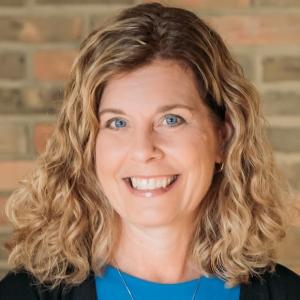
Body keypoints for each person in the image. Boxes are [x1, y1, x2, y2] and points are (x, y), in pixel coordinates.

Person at [0, 2, 299, 300]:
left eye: (171, 119)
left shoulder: (286, 293)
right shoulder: (24, 294)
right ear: (88, 144)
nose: (143, 150)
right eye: (118, 122)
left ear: (223, 136)